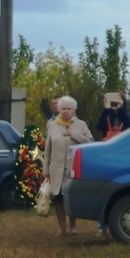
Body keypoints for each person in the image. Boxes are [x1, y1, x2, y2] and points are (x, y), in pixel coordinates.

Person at [43, 95, 93, 235]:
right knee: (58, 199)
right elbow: (48, 150)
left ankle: (73, 227)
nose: (65, 111)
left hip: (73, 169)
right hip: (56, 169)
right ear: (59, 110)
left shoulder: (81, 125)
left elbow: (90, 143)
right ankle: (62, 229)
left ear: (74, 111)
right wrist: (46, 170)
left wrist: (74, 134)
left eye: (68, 109)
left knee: (71, 198)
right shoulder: (53, 125)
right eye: (63, 108)